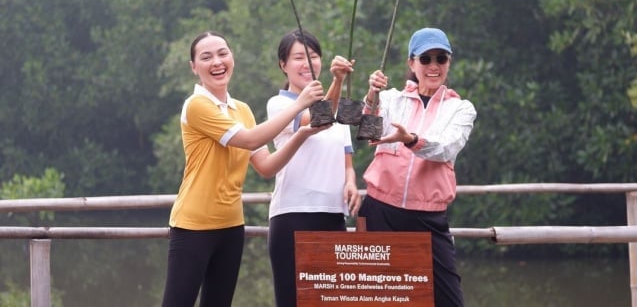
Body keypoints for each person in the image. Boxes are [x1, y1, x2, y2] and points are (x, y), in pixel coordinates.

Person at [161, 31, 329, 307]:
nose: (217, 62)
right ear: (194, 67)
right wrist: (300, 104)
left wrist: (302, 134)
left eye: (222, 53)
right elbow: (250, 139)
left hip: (231, 226)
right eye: (206, 57)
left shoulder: (242, 110)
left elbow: (266, 166)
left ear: (232, 58)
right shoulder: (196, 106)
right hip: (193, 226)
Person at [360, 27, 476, 307]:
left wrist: (410, 140)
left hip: (428, 218)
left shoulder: (461, 109)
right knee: (380, 300)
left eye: (441, 59)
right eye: (425, 59)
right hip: (379, 212)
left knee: (449, 300)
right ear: (412, 63)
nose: (433, 66)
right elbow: (366, 131)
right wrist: (372, 95)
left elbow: (447, 147)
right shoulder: (391, 99)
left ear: (449, 63)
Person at [266, 29, 361, 307]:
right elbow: (320, 118)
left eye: (314, 56)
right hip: (293, 215)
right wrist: (338, 80)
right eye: (298, 57)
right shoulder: (281, 105)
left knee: (332, 301)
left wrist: (351, 183)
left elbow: (347, 164)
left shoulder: (340, 110)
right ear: (283, 65)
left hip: (333, 216)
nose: (307, 63)